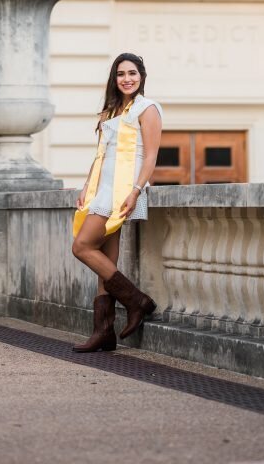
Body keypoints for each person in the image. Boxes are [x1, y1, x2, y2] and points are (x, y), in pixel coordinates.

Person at [71, 52, 163, 353]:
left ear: (142, 76)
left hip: (123, 189)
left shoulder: (147, 109)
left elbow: (150, 156)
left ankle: (136, 300)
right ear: (115, 78)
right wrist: (86, 186)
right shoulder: (110, 111)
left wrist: (136, 190)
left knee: (81, 246)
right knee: (105, 261)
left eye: (132, 73)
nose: (127, 79)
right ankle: (104, 332)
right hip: (103, 187)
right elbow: (101, 154)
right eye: (121, 74)